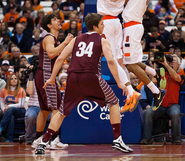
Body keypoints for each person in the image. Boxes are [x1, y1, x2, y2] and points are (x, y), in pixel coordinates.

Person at [34, 13, 132, 154]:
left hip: (72, 77)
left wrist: (52, 77)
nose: (103, 26)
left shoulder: (76, 39)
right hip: (91, 77)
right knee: (114, 103)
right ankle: (117, 140)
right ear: (95, 26)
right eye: (101, 24)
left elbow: (61, 57)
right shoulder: (102, 40)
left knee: (61, 112)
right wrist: (120, 82)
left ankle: (43, 144)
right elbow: (111, 61)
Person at [97, 0, 141, 113]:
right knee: (120, 59)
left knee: (112, 59)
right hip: (117, 22)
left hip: (105, 23)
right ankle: (129, 90)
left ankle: (130, 91)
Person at [122, 0, 166, 113]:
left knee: (129, 65)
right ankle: (155, 73)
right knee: (131, 62)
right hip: (133, 26)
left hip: (132, 27)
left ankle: (155, 91)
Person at [31, 13, 73, 149]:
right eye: (55, 20)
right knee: (56, 108)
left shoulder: (52, 39)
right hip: (45, 75)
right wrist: (66, 43)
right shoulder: (49, 37)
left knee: (44, 110)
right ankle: (53, 139)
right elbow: (51, 53)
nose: (59, 21)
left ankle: (37, 139)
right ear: (49, 25)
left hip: (44, 74)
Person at [140, 54, 185, 145]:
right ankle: (147, 138)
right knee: (148, 112)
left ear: (178, 65)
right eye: (170, 60)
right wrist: (156, 63)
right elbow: (152, 74)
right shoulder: (162, 74)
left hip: (173, 105)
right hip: (160, 105)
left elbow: (176, 78)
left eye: (174, 60)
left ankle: (176, 138)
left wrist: (166, 65)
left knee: (175, 113)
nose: (172, 61)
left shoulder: (181, 75)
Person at [0, 73, 26, 142]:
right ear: (9, 81)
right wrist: (4, 110)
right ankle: (9, 139)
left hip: (20, 111)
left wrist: (9, 106)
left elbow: (21, 104)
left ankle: (1, 127)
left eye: (15, 79)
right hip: (8, 112)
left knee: (10, 109)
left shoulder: (21, 90)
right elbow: (2, 102)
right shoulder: (4, 90)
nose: (14, 80)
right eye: (12, 79)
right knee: (11, 117)